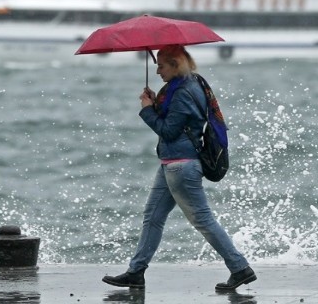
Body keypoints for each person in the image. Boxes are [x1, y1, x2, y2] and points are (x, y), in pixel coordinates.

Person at [102, 44, 256, 291]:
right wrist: (155, 105)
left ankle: (239, 268)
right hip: (171, 164)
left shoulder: (183, 92)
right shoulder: (187, 85)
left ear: (175, 65)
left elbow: (169, 131)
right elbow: (174, 122)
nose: (158, 72)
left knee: (203, 220)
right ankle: (136, 272)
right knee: (153, 218)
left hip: (181, 166)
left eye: (161, 66)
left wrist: (146, 111)